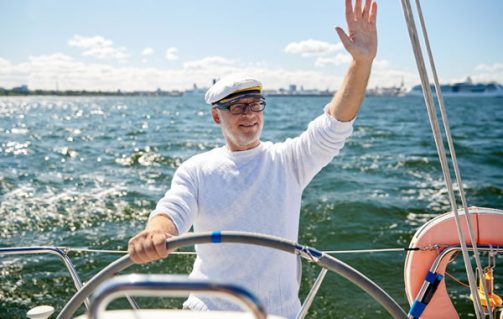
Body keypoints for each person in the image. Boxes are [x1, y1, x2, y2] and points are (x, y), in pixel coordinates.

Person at [128, 0, 377, 318]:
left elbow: (335, 124)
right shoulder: (197, 169)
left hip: (277, 313)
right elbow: (172, 210)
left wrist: (361, 62)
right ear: (217, 116)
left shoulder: (288, 161)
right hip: (208, 311)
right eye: (237, 107)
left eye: (255, 104)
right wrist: (157, 232)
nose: (249, 114)